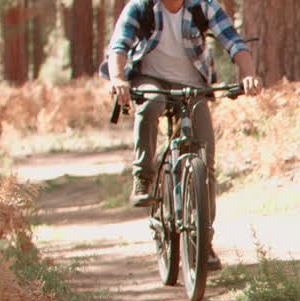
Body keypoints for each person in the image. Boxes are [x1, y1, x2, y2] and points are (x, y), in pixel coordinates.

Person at [104, 0, 261, 270]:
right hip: (150, 80)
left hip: (193, 84)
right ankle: (143, 174)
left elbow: (233, 41)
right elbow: (119, 46)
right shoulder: (141, 7)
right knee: (151, 105)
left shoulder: (204, 7)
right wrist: (118, 79)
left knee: (205, 162)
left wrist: (248, 74)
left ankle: (203, 242)